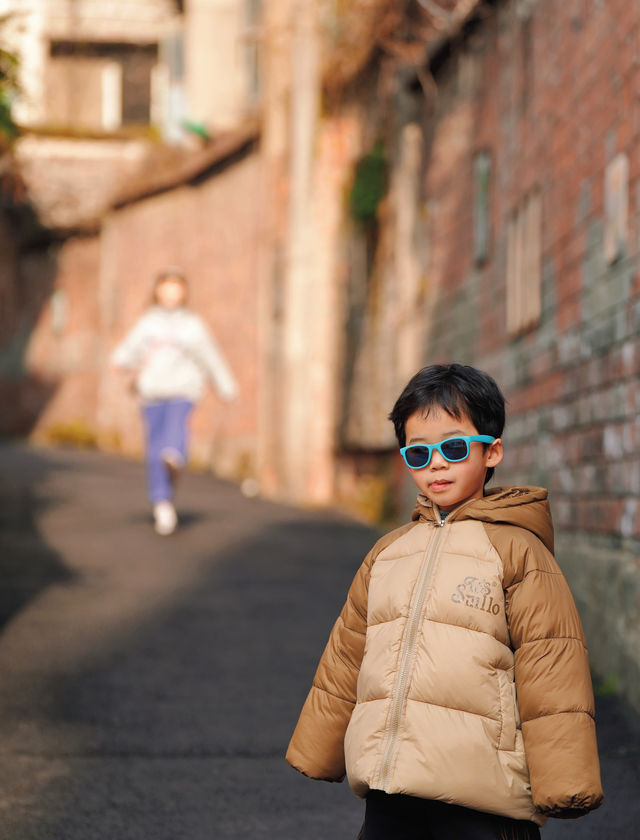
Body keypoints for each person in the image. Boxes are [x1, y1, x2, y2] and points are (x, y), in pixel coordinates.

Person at [286, 363, 603, 839]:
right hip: (391, 790)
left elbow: (551, 666)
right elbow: (348, 652)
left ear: (491, 451)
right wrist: (318, 746)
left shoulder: (517, 551)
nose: (436, 464)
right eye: (418, 453)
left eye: (453, 448)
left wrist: (565, 781)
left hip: (482, 796)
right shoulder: (389, 552)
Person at [110, 268, 238, 535]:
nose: (171, 293)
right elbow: (131, 348)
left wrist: (225, 386)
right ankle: (162, 503)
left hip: (183, 390)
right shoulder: (148, 323)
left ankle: (175, 455)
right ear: (157, 291)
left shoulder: (193, 325)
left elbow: (210, 356)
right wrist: (120, 360)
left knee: (176, 428)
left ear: (184, 292)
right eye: (166, 288)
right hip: (152, 393)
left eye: (176, 288)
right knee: (154, 449)